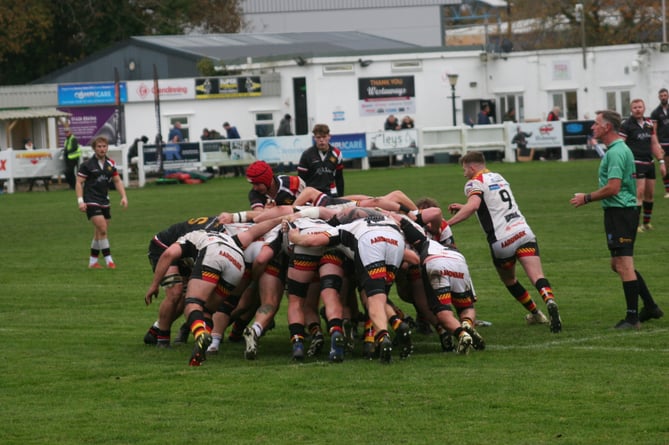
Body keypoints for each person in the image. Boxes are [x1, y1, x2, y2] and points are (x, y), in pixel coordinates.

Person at [446, 151, 562, 333]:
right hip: (523, 231)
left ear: (472, 167)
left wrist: (448, 224)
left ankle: (536, 313)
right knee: (537, 276)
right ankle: (550, 300)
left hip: (502, 240)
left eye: (464, 169)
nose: (464, 173)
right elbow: (493, 205)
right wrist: (464, 206)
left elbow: (475, 205)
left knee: (509, 279)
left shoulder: (473, 183)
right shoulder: (499, 177)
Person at [569, 109, 663, 329]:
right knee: (618, 264)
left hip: (621, 212)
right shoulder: (618, 149)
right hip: (621, 212)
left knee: (624, 264)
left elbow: (614, 187)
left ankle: (632, 318)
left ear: (607, 127)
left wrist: (586, 198)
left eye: (596, 123)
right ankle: (650, 306)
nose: (593, 127)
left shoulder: (616, 152)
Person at [75, 136, 128, 269]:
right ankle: (109, 260)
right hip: (91, 200)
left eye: (104, 146)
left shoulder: (110, 164)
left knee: (99, 232)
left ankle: (93, 262)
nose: (102, 149)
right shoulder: (87, 165)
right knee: (103, 229)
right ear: (94, 148)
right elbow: (79, 183)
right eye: (99, 146)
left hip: (105, 201)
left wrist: (124, 196)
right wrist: (81, 201)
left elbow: (117, 181)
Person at [619, 98, 666, 232]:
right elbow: (621, 144)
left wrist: (661, 161)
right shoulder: (626, 125)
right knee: (638, 193)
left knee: (650, 194)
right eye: (635, 107)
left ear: (644, 108)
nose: (638, 109)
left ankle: (646, 223)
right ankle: (635, 224)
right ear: (631, 110)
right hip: (635, 163)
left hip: (649, 163)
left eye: (640, 107)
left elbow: (654, 143)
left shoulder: (649, 123)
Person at [297, 123, 344, 197]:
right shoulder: (307, 155)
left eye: (324, 137)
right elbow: (301, 180)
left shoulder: (337, 153)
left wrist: (341, 197)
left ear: (329, 137)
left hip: (331, 192)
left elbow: (339, 178)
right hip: (313, 194)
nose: (321, 140)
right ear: (314, 138)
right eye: (318, 137)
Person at [649, 88, 669, 198]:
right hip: (664, 143)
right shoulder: (655, 113)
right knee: (665, 167)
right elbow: (654, 130)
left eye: (665, 95)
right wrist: (657, 144)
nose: (663, 97)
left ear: (668, 96)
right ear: (659, 97)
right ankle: (668, 190)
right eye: (661, 96)